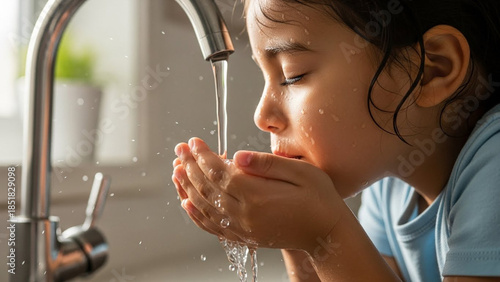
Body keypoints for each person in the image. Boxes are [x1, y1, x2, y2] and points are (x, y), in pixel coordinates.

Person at [172, 0, 500, 281]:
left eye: (292, 75)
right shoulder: (390, 189)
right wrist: (299, 238)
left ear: (432, 71)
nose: (262, 115)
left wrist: (324, 235)